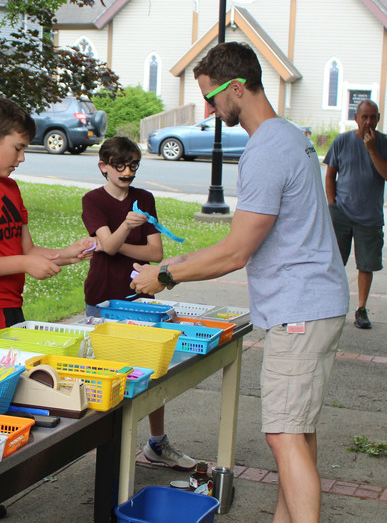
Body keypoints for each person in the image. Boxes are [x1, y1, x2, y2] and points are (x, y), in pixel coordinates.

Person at [131, 42, 349, 522]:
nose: (207, 109)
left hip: (300, 310)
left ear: (235, 88)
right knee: (297, 431)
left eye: (211, 97)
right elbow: (240, 239)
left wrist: (165, 274)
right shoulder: (289, 136)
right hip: (314, 304)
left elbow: (235, 251)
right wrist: (180, 260)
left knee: (283, 435)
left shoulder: (267, 148)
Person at [81, 136, 195, 471]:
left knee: (152, 372)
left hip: (141, 297)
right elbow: (110, 244)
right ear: (104, 166)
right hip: (103, 298)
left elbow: (155, 254)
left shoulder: (144, 198)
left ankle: (157, 443)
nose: (127, 172)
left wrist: (111, 244)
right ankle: (109, 444)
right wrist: (123, 231)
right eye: (120, 166)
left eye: (133, 165)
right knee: (107, 374)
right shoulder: (93, 201)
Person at [0, 96, 94, 348]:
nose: (23, 157)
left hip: (11, 308)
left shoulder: (10, 187)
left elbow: (27, 250)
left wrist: (67, 254)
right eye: (18, 148)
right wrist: (24, 263)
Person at [323, 99, 387, 329]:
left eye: (373, 117)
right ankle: (330, 306)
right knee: (334, 262)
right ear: (356, 118)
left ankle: (361, 309)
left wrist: (372, 150)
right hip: (342, 213)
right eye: (364, 117)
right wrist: (332, 205)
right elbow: (330, 175)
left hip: (370, 216)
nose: (368, 122)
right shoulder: (342, 141)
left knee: (366, 265)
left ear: (378, 118)